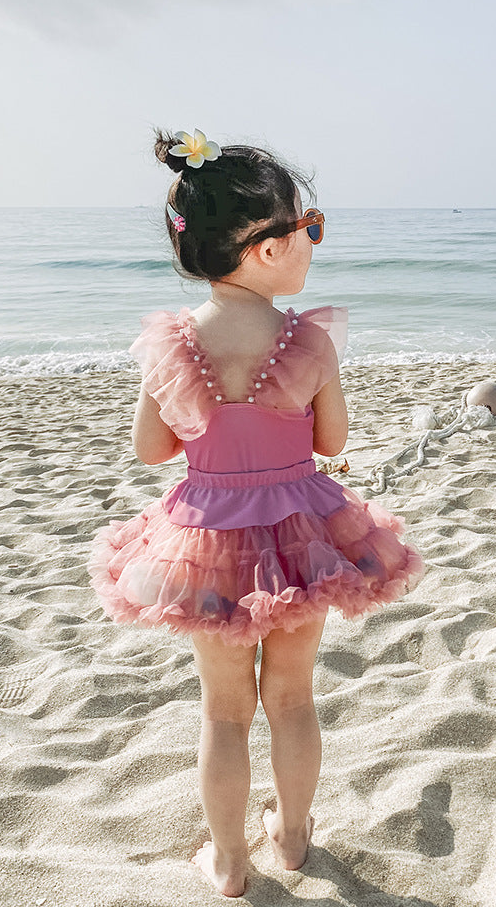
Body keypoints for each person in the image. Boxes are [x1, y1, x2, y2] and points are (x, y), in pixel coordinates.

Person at [89, 129, 423, 897]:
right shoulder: (306, 338)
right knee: (295, 697)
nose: (313, 242)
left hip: (201, 539)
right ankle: (295, 839)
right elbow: (334, 438)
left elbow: (150, 449)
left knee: (224, 711)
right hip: (304, 535)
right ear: (268, 249)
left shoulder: (172, 342)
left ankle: (230, 862)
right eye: (309, 228)